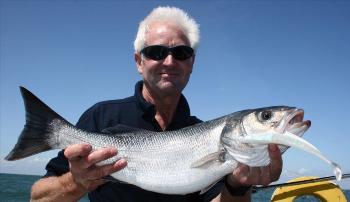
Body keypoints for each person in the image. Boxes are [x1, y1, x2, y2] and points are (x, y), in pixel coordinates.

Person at [30, 6, 282, 202]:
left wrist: (237, 187)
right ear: (139, 62)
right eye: (156, 52)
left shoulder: (204, 132)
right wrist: (77, 181)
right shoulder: (100, 116)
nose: (170, 62)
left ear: (192, 63)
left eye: (181, 53)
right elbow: (38, 197)